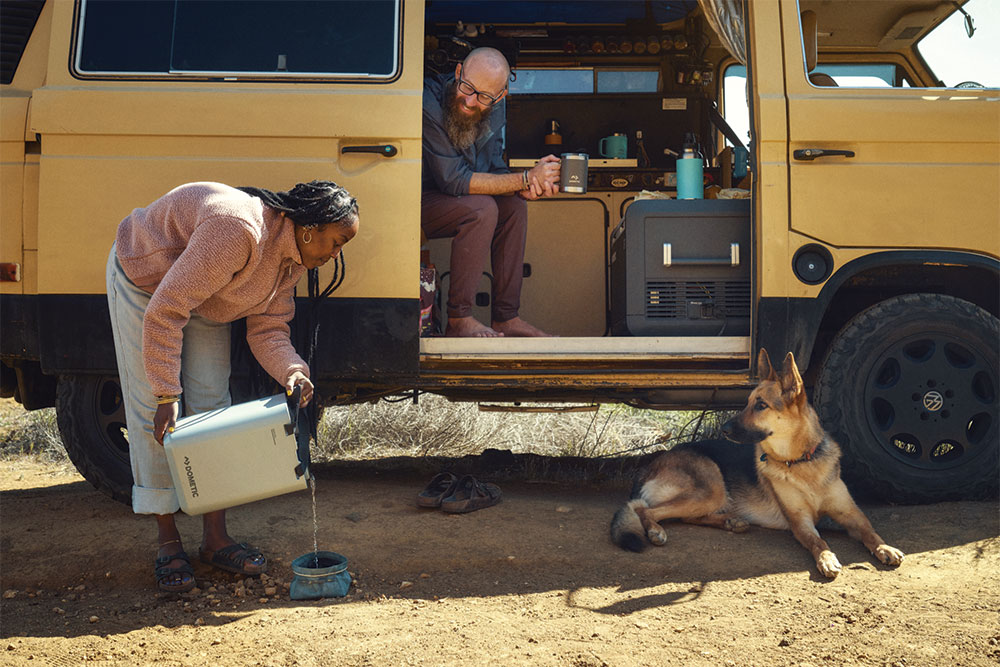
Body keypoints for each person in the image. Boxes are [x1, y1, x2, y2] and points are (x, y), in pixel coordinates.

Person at [106, 180, 359, 593]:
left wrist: (293, 372)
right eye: (338, 241)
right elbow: (166, 310)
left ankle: (215, 539)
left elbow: (268, 330)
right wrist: (167, 394)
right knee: (154, 409)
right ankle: (169, 543)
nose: (336, 255)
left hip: (206, 290)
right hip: (148, 282)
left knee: (212, 405)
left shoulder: (291, 259)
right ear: (311, 227)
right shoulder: (237, 230)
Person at [422, 47, 561, 338]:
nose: (471, 102)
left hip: (457, 198)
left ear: (500, 97)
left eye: (484, 97)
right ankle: (458, 319)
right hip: (418, 200)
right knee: (482, 209)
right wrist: (523, 178)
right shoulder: (429, 102)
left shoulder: (495, 109)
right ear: (458, 72)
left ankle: (506, 317)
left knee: (512, 207)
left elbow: (495, 168)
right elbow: (454, 181)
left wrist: (524, 189)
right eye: (467, 88)